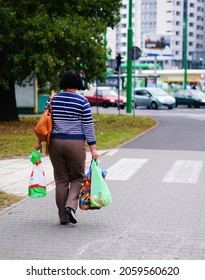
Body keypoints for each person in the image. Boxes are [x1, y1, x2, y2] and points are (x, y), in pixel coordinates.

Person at [35, 70, 99, 225]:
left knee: (61, 180)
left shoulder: (52, 99)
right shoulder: (82, 102)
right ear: (78, 83)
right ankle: (70, 206)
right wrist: (93, 148)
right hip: (75, 143)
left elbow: (45, 122)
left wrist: (39, 142)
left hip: (55, 143)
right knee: (77, 177)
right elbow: (88, 126)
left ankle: (62, 217)